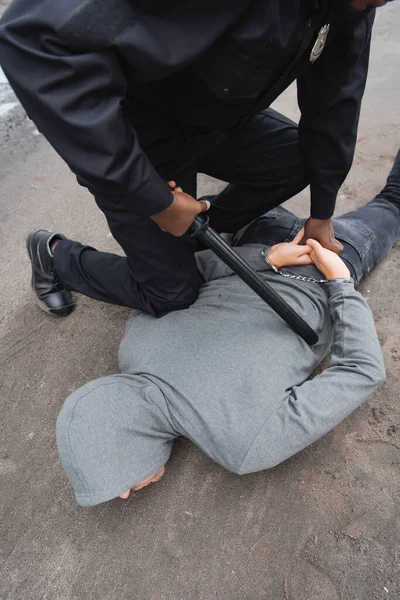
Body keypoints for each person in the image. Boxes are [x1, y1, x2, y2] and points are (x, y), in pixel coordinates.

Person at [0, 0, 391, 318]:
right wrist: (153, 198)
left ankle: (192, 232)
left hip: (217, 121)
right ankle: (55, 258)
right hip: (139, 142)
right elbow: (33, 39)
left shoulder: (354, 8)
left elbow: (336, 100)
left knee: (301, 159)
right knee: (172, 295)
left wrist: (322, 213)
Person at [55, 151, 399, 507]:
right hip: (258, 237)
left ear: (130, 438)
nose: (124, 492)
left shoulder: (243, 444)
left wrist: (340, 284)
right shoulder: (133, 346)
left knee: (393, 201)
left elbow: (362, 371)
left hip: (323, 270)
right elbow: (193, 276)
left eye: (116, 478)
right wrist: (265, 258)